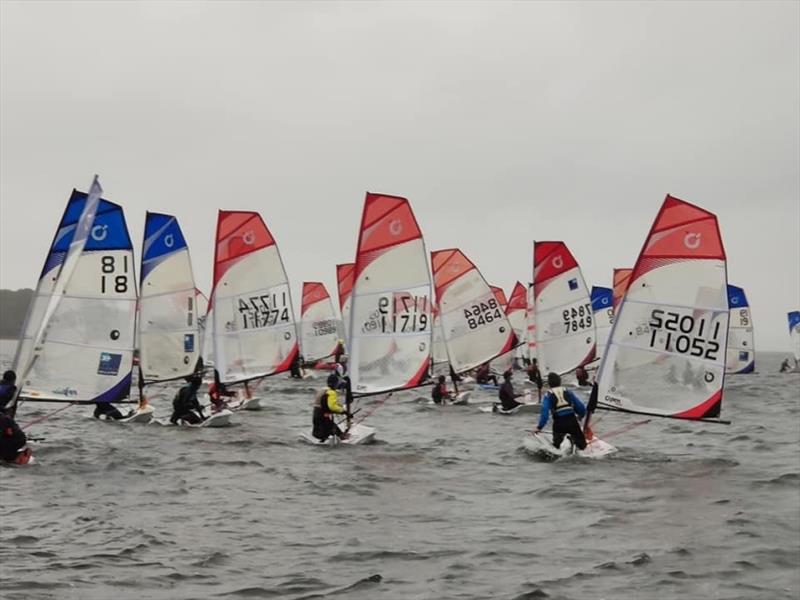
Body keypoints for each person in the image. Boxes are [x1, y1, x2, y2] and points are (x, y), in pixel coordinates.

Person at [535, 372, 588, 450]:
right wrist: (581, 416)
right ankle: (576, 445)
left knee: (556, 445)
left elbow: (544, 413)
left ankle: (558, 448)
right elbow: (580, 407)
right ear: (560, 381)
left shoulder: (548, 395)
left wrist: (539, 427)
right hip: (572, 420)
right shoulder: (568, 391)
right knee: (582, 445)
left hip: (559, 423)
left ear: (549, 383)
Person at [312, 373, 351, 442]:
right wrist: (344, 411)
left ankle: (322, 440)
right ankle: (342, 437)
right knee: (332, 428)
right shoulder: (332, 392)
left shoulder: (323, 390)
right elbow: (332, 406)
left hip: (316, 415)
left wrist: (340, 408)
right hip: (323, 416)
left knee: (322, 431)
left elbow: (326, 404)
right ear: (335, 384)